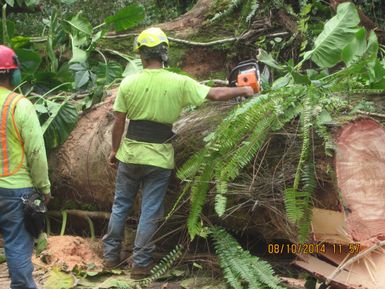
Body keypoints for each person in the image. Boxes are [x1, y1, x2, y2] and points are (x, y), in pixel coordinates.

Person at [103, 27, 254, 278]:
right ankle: (140, 265)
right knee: (150, 210)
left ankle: (110, 258)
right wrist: (245, 90)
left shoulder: (129, 83)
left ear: (141, 55)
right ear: (164, 54)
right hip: (159, 158)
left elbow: (119, 122)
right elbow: (215, 94)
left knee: (120, 206)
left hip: (129, 155)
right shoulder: (178, 82)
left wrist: (114, 150)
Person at [0, 45, 51, 289]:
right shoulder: (20, 105)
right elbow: (35, 152)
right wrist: (44, 187)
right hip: (15, 191)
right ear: (14, 74)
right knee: (18, 245)